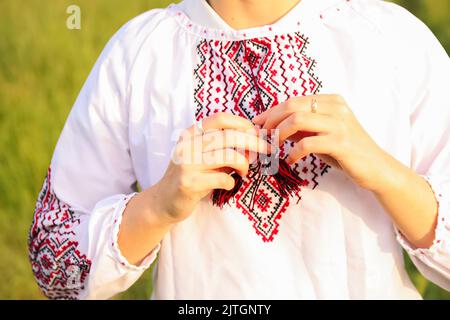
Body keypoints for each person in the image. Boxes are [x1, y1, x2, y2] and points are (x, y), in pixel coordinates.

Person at [28, 0, 450, 299]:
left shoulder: (392, 40)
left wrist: (384, 171)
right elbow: (54, 265)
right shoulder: (140, 53)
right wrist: (159, 206)